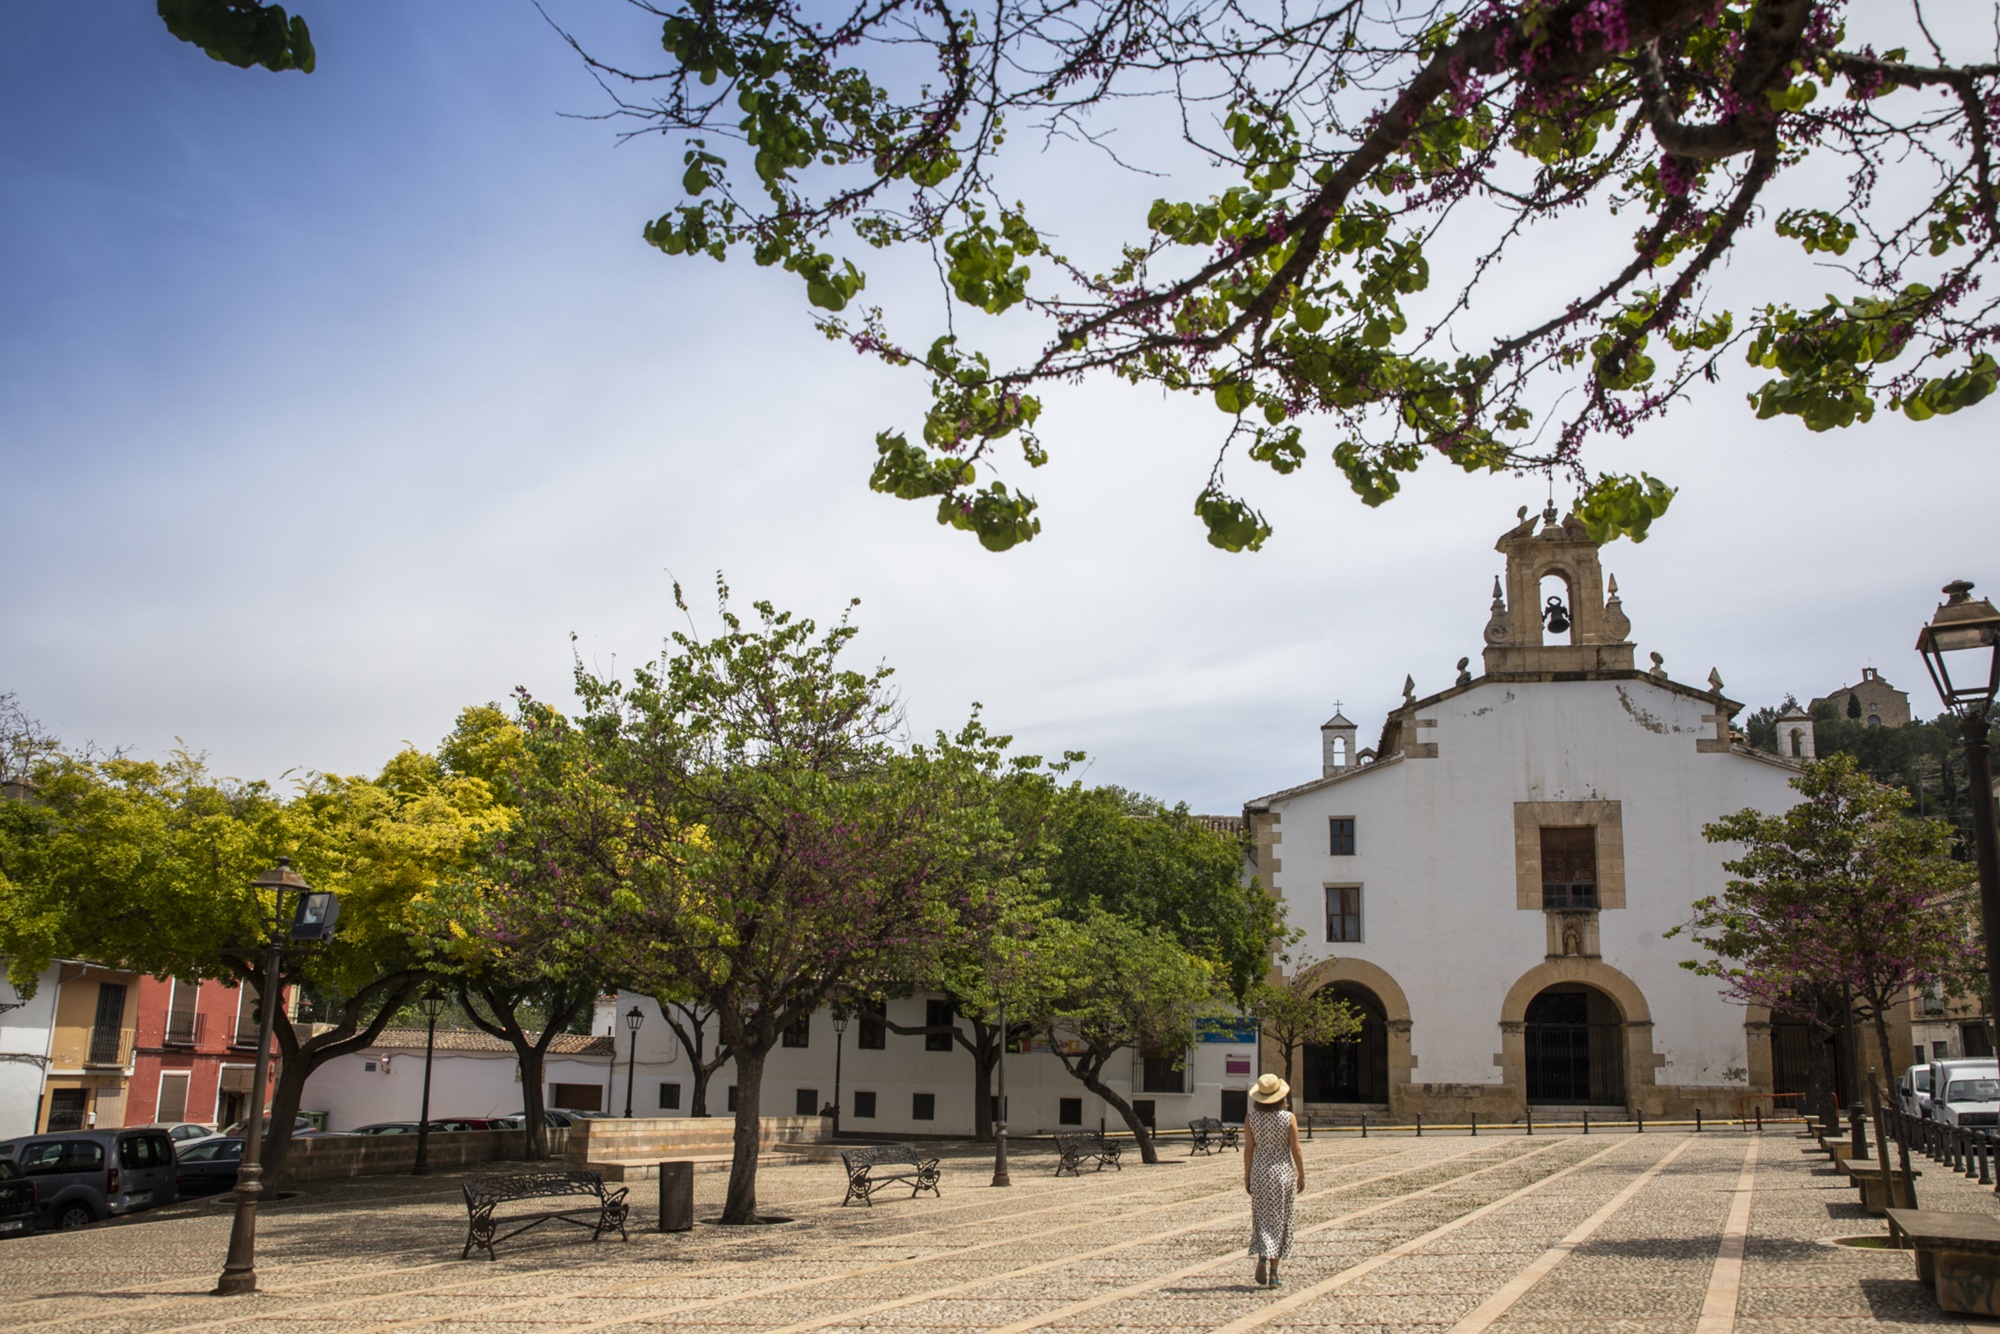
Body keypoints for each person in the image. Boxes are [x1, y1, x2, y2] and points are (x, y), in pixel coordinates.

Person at [1242, 1072, 1304, 1287]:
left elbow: (1249, 1149)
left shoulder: (1251, 1119)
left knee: (1261, 1217)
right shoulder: (1288, 1118)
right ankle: (1274, 1274)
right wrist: (1302, 1173)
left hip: (1259, 1171)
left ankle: (1262, 1255)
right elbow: (1296, 1149)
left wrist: (1247, 1175)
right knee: (1280, 1219)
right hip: (1282, 1172)